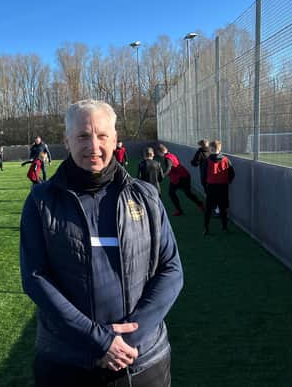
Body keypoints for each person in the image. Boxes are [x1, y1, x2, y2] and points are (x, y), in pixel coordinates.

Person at [20, 100, 183, 387]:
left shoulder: (146, 196)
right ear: (67, 141)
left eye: (102, 135)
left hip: (143, 359)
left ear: (115, 139)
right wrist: (100, 340)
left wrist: (126, 340)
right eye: (83, 136)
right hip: (67, 363)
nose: (93, 146)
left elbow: (171, 270)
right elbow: (35, 278)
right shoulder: (41, 201)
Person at [158, 144, 204, 217]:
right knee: (178, 193)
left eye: (159, 153)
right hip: (182, 176)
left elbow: (168, 169)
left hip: (181, 178)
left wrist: (161, 177)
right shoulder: (171, 155)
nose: (159, 155)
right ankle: (182, 209)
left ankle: (197, 205)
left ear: (161, 152)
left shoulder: (167, 158)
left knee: (182, 193)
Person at [201, 140, 235, 235]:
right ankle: (224, 227)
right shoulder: (226, 160)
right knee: (223, 208)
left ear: (210, 149)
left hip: (211, 187)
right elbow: (232, 174)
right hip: (223, 187)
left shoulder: (207, 160)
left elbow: (203, 176)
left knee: (208, 209)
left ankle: (206, 229)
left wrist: (205, 186)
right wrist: (228, 182)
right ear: (220, 149)